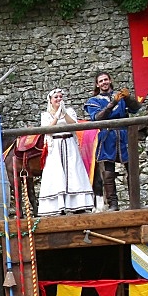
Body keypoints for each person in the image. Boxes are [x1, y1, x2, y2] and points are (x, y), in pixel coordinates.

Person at [84, 71, 141, 211]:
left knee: (131, 169)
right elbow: (97, 118)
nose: (104, 82)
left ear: (110, 81)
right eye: (101, 81)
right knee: (108, 174)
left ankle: (135, 203)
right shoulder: (93, 101)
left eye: (106, 80)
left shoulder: (121, 96)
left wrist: (128, 99)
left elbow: (136, 109)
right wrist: (113, 103)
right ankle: (113, 204)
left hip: (124, 135)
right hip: (107, 135)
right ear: (97, 84)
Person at [37, 88, 95, 216]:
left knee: (74, 172)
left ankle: (78, 204)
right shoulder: (46, 115)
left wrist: (64, 113)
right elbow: (48, 130)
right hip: (55, 146)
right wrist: (57, 115)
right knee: (57, 174)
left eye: (60, 97)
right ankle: (59, 205)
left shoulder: (69, 112)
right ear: (50, 101)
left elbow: (74, 124)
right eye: (56, 97)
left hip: (69, 144)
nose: (58, 99)